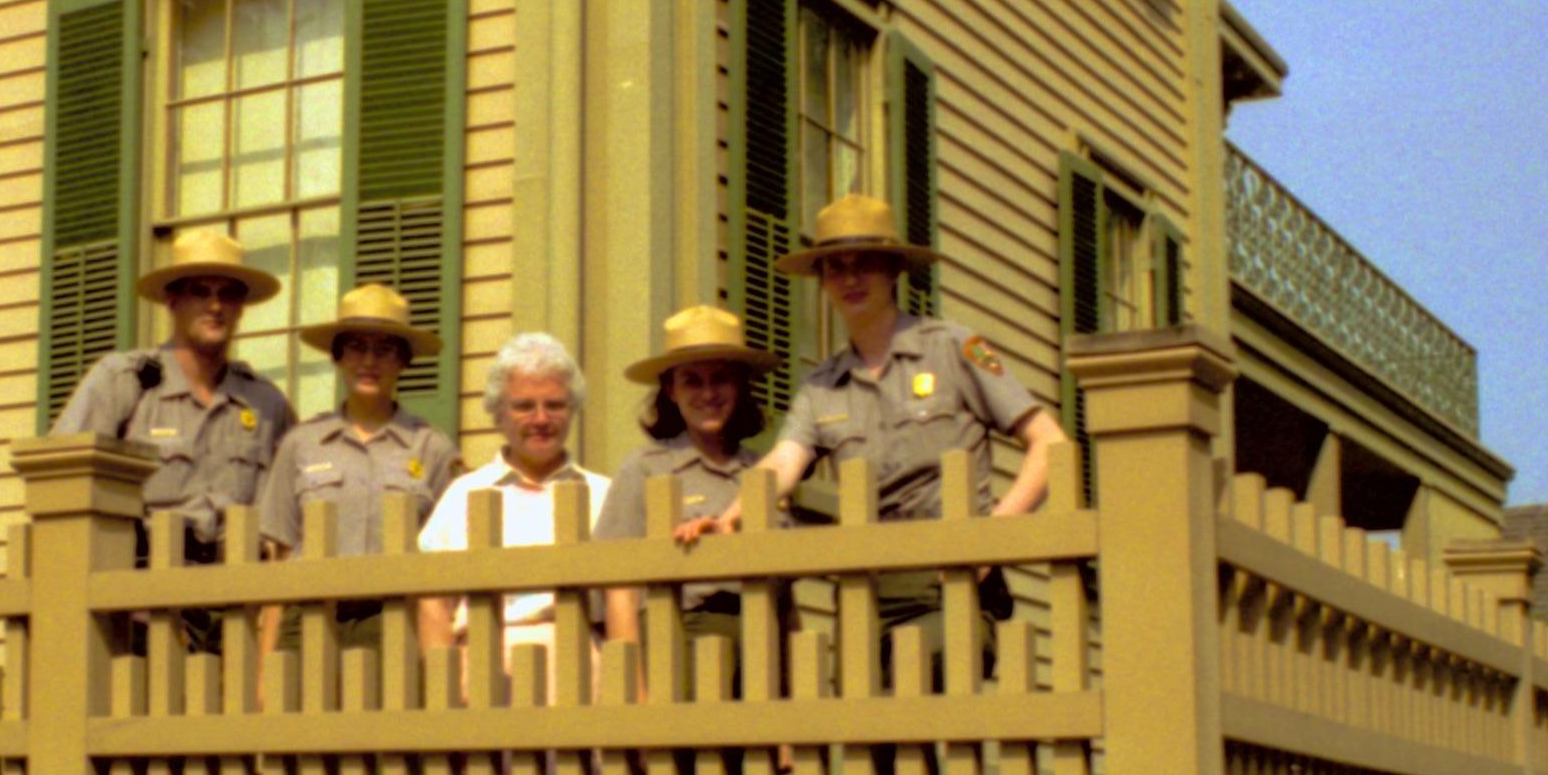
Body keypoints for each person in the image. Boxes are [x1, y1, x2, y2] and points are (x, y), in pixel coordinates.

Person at [675, 191, 1065, 676]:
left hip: (949, 574)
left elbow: (1049, 444)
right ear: (822, 281)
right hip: (868, 586)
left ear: (894, 270)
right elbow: (782, 464)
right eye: (835, 267)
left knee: (928, 685)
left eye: (866, 263)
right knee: (874, 739)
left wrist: (993, 536)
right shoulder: (822, 387)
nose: (851, 278)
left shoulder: (954, 349)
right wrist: (730, 517)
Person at [50, 228, 296, 647]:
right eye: (200, 291)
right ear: (172, 301)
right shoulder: (125, 382)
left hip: (236, 610)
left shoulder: (266, 404)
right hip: (143, 610)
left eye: (228, 295)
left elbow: (292, 516)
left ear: (240, 309)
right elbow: (61, 485)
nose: (215, 306)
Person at [255, 283, 460, 663]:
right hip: (310, 619)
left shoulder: (431, 448)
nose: (370, 360)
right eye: (357, 347)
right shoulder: (300, 444)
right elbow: (278, 563)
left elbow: (448, 563)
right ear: (338, 356)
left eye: (385, 349)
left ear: (404, 361)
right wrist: (266, 668)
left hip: (395, 623)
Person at [415, 333, 611, 677]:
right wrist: (444, 683)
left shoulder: (602, 494)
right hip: (479, 668)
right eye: (524, 406)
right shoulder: (463, 495)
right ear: (498, 415)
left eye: (555, 405)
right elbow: (432, 603)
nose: (540, 419)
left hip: (579, 667)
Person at [594, 305, 780, 656]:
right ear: (670, 390)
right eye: (692, 380)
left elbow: (785, 597)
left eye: (720, 378)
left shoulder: (763, 474)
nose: (708, 394)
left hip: (762, 641)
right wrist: (637, 694)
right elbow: (618, 589)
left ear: (740, 385)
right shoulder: (645, 470)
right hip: (680, 637)